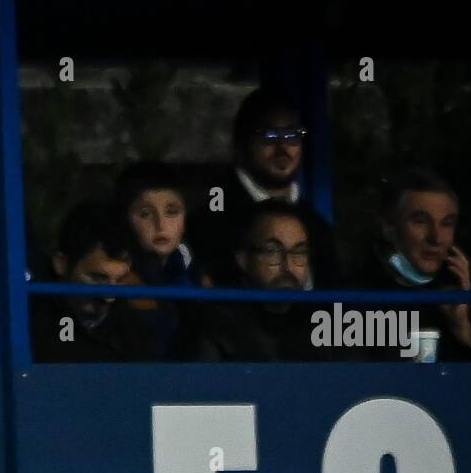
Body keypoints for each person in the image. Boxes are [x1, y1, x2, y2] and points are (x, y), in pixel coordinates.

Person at [199, 87, 338, 288]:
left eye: (291, 135)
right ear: (243, 143)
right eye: (269, 136)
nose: (283, 148)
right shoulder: (212, 220)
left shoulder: (317, 226)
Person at [356, 169, 471, 360]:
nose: (436, 238)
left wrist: (462, 330)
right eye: (421, 221)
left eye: (446, 224)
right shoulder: (355, 300)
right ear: (389, 227)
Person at [186, 200, 323, 361]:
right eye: (272, 251)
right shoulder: (215, 325)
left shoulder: (322, 322)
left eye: (299, 252)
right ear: (243, 259)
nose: (288, 266)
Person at [30, 200, 162, 361]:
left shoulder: (130, 326)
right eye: (98, 278)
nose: (109, 297)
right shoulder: (29, 321)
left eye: (120, 280)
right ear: (61, 264)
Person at [116, 161, 211, 358]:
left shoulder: (196, 272)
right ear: (126, 219)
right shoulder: (119, 275)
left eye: (172, 212)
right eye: (145, 214)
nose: (160, 224)